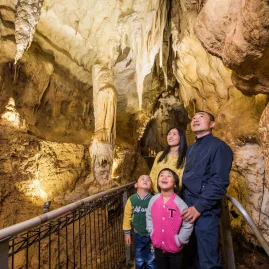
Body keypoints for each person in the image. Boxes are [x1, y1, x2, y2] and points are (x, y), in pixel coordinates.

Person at [181, 111, 233, 269]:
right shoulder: (191, 149)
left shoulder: (220, 147)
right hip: (187, 206)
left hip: (205, 210)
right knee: (190, 255)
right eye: (194, 117)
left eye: (201, 116)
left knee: (208, 260)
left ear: (212, 124)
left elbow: (219, 183)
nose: (195, 118)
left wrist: (199, 207)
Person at [146, 168, 193, 269]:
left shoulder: (180, 204)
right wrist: (151, 232)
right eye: (161, 175)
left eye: (169, 175)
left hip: (175, 250)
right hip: (158, 249)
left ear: (175, 184)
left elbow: (188, 224)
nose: (164, 177)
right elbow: (148, 216)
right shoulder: (153, 200)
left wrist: (180, 240)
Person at [123, 175, 156, 269]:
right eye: (142, 179)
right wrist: (127, 233)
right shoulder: (131, 199)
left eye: (148, 179)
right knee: (139, 259)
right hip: (137, 235)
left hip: (152, 236)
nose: (146, 180)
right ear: (136, 185)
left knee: (151, 259)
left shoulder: (153, 200)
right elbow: (127, 216)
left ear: (151, 186)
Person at [150, 128, 187, 193]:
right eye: (169, 134)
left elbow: (181, 179)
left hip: (172, 194)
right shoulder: (160, 154)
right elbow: (153, 173)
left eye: (174, 134)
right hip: (155, 193)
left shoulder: (185, 158)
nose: (170, 136)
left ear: (181, 137)